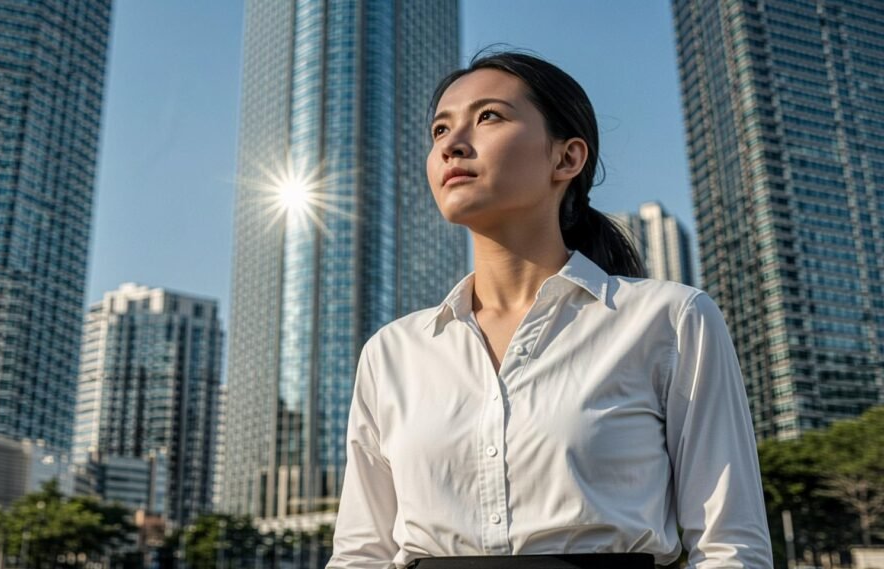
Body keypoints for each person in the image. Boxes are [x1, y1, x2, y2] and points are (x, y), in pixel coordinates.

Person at [327, 51, 773, 568]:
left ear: (566, 159)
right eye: (439, 130)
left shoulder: (670, 320)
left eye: (488, 116)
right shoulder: (393, 352)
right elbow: (361, 554)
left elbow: (730, 547)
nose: (451, 144)